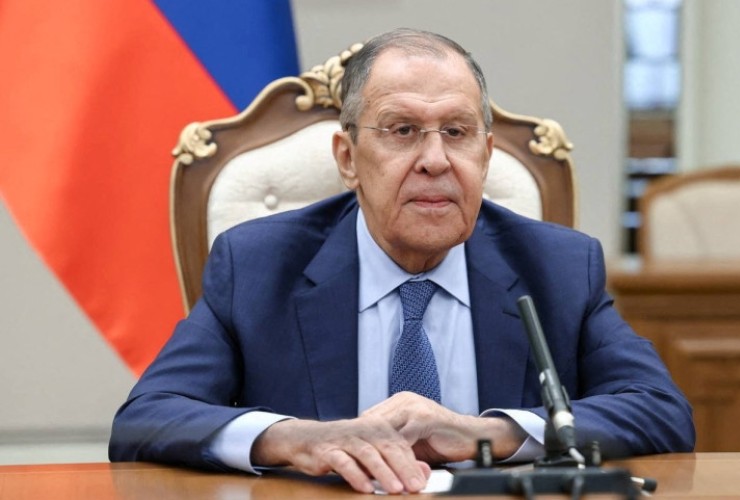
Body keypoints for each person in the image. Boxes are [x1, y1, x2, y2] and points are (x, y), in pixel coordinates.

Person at [109, 28, 694, 494]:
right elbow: (147, 418)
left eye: (457, 132)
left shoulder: (558, 267)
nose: (435, 160)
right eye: (403, 130)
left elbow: (661, 412)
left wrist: (486, 433)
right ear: (347, 158)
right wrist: (295, 439)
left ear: (485, 155)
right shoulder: (258, 264)